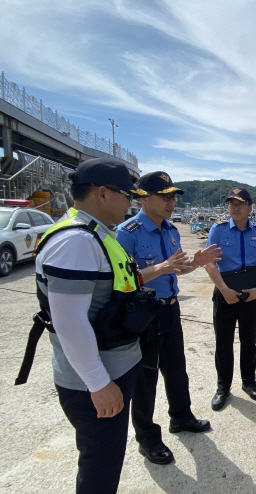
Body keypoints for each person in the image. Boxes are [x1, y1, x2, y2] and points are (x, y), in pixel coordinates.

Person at [32, 158, 148, 493]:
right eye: (127, 194)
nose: (131, 202)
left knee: (106, 460)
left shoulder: (97, 235)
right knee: (100, 468)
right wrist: (98, 383)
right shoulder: (76, 242)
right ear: (102, 193)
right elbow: (69, 321)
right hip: (96, 380)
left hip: (113, 367)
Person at [116, 171, 222, 465]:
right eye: (165, 197)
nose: (171, 202)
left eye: (173, 196)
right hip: (143, 312)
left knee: (177, 368)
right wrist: (161, 267)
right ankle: (147, 438)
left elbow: (178, 268)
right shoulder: (128, 232)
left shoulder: (171, 230)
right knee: (145, 377)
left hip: (170, 309)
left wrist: (195, 264)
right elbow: (124, 280)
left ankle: (181, 417)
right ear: (144, 198)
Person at [204, 188, 256, 411]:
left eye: (240, 203)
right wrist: (223, 289)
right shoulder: (219, 229)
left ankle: (249, 382)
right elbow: (209, 263)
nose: (235, 207)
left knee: (249, 340)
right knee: (223, 342)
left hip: (251, 292)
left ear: (250, 207)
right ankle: (223, 387)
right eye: (231, 203)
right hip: (226, 291)